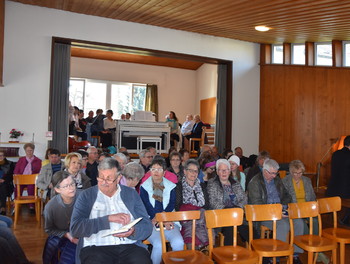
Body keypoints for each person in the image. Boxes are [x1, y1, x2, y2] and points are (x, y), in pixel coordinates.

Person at [70, 158, 152, 264]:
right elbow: (75, 228)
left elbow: (146, 225)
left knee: (142, 260)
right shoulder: (86, 196)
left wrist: (133, 231)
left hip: (129, 246)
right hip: (96, 248)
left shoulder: (131, 194)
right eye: (101, 178)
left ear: (118, 178)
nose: (104, 182)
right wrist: (107, 219)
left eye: (109, 179)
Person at [247, 159, 304, 263]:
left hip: (280, 211)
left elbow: (287, 196)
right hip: (264, 215)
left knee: (299, 222)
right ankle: (275, 257)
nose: (274, 175)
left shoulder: (277, 180)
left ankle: (295, 254)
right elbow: (257, 205)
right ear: (265, 171)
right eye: (272, 173)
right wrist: (276, 212)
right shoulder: (255, 183)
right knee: (283, 225)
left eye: (276, 173)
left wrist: (283, 207)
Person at [282, 160, 329, 264]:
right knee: (303, 225)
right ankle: (315, 250)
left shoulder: (307, 180)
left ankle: (315, 247)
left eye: (300, 173)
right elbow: (284, 199)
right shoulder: (285, 181)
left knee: (316, 222)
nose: (298, 175)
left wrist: (312, 208)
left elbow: (312, 197)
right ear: (291, 172)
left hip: (306, 209)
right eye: (295, 173)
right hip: (294, 210)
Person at [140, 158, 184, 264]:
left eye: (159, 169)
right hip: (151, 221)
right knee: (159, 244)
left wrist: (164, 218)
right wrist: (158, 218)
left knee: (179, 242)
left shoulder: (171, 186)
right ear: (150, 171)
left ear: (164, 173)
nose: (156, 172)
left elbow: (171, 204)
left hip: (168, 219)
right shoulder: (144, 187)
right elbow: (146, 205)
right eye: (153, 169)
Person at [207, 159, 250, 245]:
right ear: (217, 172)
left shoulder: (235, 183)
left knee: (249, 230)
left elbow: (244, 198)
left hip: (237, 214)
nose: (223, 172)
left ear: (229, 171)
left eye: (226, 170)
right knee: (230, 226)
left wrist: (237, 209)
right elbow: (213, 202)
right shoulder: (212, 183)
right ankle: (227, 255)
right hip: (220, 216)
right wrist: (227, 211)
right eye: (220, 170)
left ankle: (263, 256)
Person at [43, 172, 79, 264]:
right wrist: (67, 235)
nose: (71, 188)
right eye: (66, 186)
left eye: (72, 184)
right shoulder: (51, 206)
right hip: (61, 233)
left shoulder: (83, 197)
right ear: (57, 190)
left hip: (80, 233)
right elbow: (49, 229)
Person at [175, 159, 209, 249]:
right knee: (192, 231)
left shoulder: (202, 186)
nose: (193, 173)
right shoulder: (178, 186)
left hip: (202, 218)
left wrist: (199, 215)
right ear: (185, 171)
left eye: (196, 171)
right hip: (187, 219)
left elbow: (207, 205)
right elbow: (178, 207)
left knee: (203, 225)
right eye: (191, 170)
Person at [327, 135, 350, 226]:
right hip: (345, 190)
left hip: (333, 188)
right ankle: (345, 220)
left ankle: (345, 219)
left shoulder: (335, 154)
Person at [14, 143, 42, 212]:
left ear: (33, 151)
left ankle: (31, 206)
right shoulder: (21, 160)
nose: (29, 152)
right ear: (25, 151)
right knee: (17, 188)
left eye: (31, 150)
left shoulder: (38, 161)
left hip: (32, 181)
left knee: (31, 187)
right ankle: (16, 206)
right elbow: (16, 171)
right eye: (27, 150)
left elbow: (39, 172)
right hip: (21, 180)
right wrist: (16, 178)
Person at [0, 150, 14, 215]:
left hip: (6, 183)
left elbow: (11, 175)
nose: (0, 157)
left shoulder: (10, 164)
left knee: (3, 185)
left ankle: (3, 207)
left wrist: (3, 179)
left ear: (5, 156)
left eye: (2, 155)